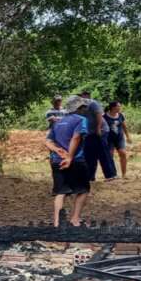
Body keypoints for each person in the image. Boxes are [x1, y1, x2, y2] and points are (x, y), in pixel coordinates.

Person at [46, 95, 91, 227]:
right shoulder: (81, 120)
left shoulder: (58, 122)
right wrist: (69, 157)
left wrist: (57, 150)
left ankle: (57, 222)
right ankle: (75, 219)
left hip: (56, 160)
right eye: (83, 107)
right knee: (83, 190)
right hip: (75, 160)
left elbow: (47, 141)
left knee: (61, 192)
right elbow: (76, 138)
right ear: (78, 108)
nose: (85, 110)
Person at [77, 90, 116, 181]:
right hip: (89, 132)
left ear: (87, 96)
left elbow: (99, 115)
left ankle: (110, 175)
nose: (80, 98)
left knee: (103, 153)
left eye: (82, 96)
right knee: (89, 154)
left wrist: (98, 128)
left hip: (101, 131)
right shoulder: (79, 106)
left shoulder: (93, 103)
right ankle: (90, 176)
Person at [103, 100, 131, 178]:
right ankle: (112, 174)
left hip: (119, 138)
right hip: (109, 139)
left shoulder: (120, 115)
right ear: (113, 107)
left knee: (123, 153)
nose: (120, 107)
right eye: (118, 106)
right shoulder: (104, 117)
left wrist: (128, 136)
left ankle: (124, 174)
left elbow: (124, 127)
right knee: (110, 156)